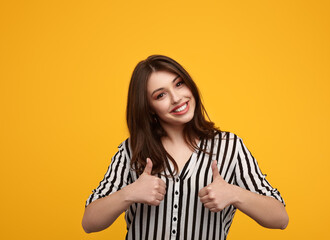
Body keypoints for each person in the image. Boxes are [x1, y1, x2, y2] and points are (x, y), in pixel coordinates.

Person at [82, 55, 289, 239]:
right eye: (160, 95)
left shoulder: (230, 147)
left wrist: (236, 194)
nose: (177, 98)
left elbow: (280, 218)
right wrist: (128, 193)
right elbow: (89, 222)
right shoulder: (132, 150)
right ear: (149, 108)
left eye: (179, 84)